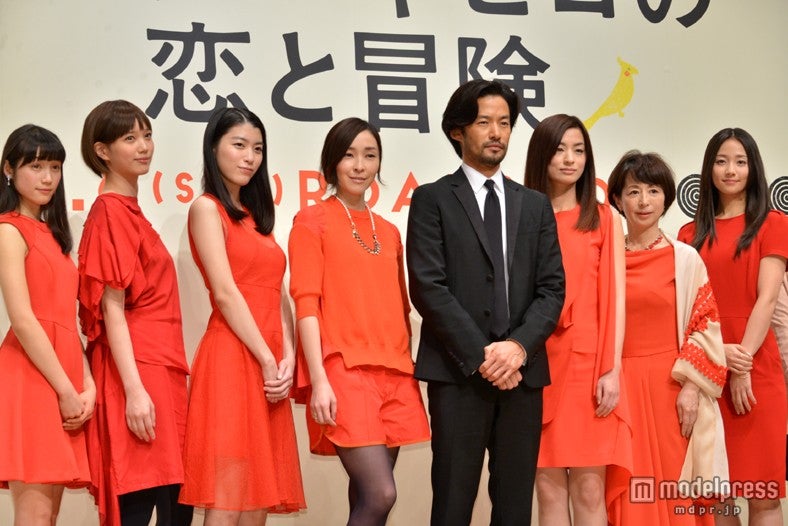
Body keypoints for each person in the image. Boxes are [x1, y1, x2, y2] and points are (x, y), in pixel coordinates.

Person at [406, 79, 565, 525]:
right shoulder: (432, 199)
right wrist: (484, 357)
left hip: (522, 376)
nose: (497, 133)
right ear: (457, 130)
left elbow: (552, 289)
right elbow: (428, 287)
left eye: (505, 123)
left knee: (515, 508)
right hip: (459, 375)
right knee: (452, 505)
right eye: (483, 122)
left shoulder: (534, 205)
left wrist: (517, 349)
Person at [289, 117, 430, 525]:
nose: (359, 165)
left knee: (367, 499)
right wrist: (318, 379)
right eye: (349, 155)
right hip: (344, 371)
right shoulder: (311, 221)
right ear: (332, 162)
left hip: (395, 371)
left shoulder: (389, 231)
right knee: (381, 493)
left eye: (369, 156)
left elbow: (400, 308)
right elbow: (306, 304)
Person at [179, 107, 305, 523]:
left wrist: (288, 356)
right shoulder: (206, 209)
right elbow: (225, 293)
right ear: (214, 148)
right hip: (232, 361)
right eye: (239, 145)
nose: (250, 157)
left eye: (258, 149)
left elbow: (278, 295)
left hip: (270, 368)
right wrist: (267, 358)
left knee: (257, 501)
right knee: (228, 495)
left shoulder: (257, 219)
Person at [77, 100, 192, 526]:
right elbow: (111, 307)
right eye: (130, 138)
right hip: (140, 369)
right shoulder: (110, 210)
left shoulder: (129, 210)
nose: (144, 146)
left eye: (147, 135)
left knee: (176, 500)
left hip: (161, 366)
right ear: (102, 151)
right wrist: (135, 390)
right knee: (144, 496)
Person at [607, 150, 728, 525]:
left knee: (675, 490)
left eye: (653, 191)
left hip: (672, 387)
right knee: (628, 488)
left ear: (666, 198)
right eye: (633, 192)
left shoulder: (685, 258)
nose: (644, 201)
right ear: (617, 200)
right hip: (619, 387)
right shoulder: (605, 259)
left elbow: (705, 323)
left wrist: (691, 387)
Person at [523, 114, 630, 526]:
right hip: (537, 366)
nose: (570, 159)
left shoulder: (603, 218)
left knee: (588, 488)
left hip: (589, 368)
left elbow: (615, 298)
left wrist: (611, 369)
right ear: (541, 156)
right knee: (548, 488)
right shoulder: (523, 216)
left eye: (579, 150)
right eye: (560, 149)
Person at [678, 128, 787, 525]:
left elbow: (767, 299)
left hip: (758, 365)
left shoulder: (773, 223)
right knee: (715, 498)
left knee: (763, 494)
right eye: (722, 161)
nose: (730, 170)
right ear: (709, 169)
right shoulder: (689, 234)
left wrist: (741, 364)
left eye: (740, 162)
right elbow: (687, 311)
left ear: (753, 168)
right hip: (707, 366)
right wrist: (718, 359)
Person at [0, 124, 94, 525]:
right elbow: (23, 319)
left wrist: (87, 384)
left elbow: (66, 321)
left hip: (62, 373)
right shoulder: (8, 229)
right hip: (30, 375)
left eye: (54, 167)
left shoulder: (54, 236)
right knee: (36, 513)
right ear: (9, 169)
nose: (47, 178)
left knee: (48, 513)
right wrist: (67, 390)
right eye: (36, 166)